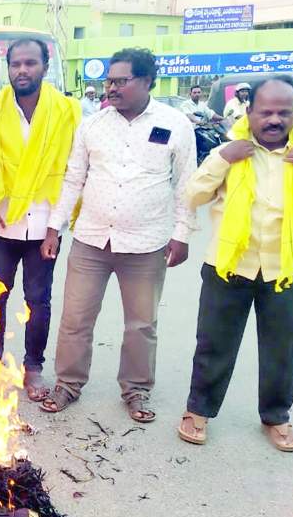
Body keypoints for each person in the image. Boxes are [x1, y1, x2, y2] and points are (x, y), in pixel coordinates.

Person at [178, 76, 293, 451]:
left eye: (283, 112)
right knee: (214, 345)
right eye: (266, 112)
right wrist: (223, 160)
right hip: (229, 266)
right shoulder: (229, 150)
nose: (274, 119)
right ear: (249, 111)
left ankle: (276, 417)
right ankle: (198, 411)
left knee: (283, 349)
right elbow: (193, 194)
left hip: (290, 270)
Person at [40, 47, 196, 423]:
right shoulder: (93, 125)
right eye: (109, 80)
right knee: (75, 318)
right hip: (91, 239)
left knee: (141, 324)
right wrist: (53, 228)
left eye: (120, 81)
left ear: (146, 82)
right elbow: (74, 178)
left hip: (146, 243)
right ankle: (67, 384)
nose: (111, 87)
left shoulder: (176, 124)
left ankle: (137, 390)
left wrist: (182, 234)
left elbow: (186, 185)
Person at [0, 38, 81, 401]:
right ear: (9, 69)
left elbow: (72, 174)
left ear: (44, 67)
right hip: (1, 224)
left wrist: (55, 227)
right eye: (16, 64)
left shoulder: (67, 113)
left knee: (39, 300)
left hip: (44, 228)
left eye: (30, 63)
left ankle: (33, 367)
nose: (22, 70)